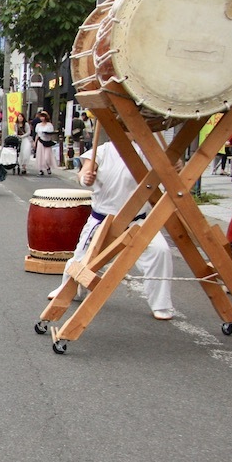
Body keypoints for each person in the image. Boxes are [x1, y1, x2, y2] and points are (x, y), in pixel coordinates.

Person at [47, 139, 175, 321]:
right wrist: (85, 178)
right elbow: (84, 171)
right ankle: (69, 287)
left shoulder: (150, 149)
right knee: (81, 258)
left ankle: (161, 303)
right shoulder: (104, 150)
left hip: (138, 221)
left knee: (160, 252)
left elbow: (172, 168)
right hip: (104, 220)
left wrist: (176, 165)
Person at [34, 111, 56, 176]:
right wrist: (35, 143)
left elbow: (51, 133)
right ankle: (41, 169)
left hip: (47, 141)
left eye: (43, 116)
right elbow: (37, 134)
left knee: (47, 157)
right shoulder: (38, 125)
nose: (42, 118)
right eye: (41, 116)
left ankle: (48, 167)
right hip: (40, 141)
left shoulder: (49, 125)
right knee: (40, 156)